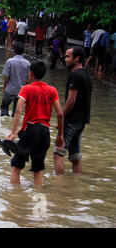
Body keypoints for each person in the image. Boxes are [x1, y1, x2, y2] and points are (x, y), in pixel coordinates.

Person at [6, 60, 64, 186]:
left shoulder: (26, 89)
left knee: (16, 165)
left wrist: (13, 132)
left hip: (31, 130)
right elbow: (60, 113)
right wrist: (60, 134)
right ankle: (38, 196)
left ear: (30, 73)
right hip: (45, 132)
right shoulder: (52, 90)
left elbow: (18, 110)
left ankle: (13, 198)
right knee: (38, 168)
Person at [53, 47, 92, 175]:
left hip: (71, 121)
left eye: (68, 56)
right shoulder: (86, 75)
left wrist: (61, 118)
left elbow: (71, 100)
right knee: (75, 157)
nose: (65, 59)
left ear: (77, 58)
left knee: (58, 153)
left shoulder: (74, 76)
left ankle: (59, 187)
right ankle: (75, 184)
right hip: (81, 121)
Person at [0, 42, 30, 117]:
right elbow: (30, 79)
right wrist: (25, 86)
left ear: (14, 51)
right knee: (16, 112)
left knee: (4, 107)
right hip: (21, 92)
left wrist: (4, 88)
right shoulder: (27, 63)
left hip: (10, 90)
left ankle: (4, 124)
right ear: (23, 51)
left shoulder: (10, 61)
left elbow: (6, 77)